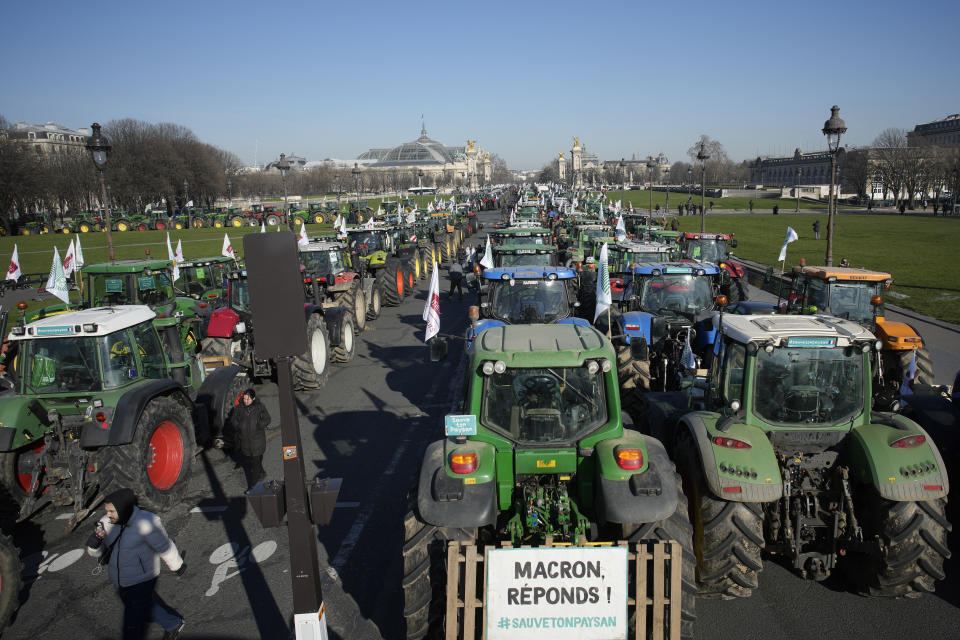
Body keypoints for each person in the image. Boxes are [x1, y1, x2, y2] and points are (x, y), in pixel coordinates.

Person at [86, 488, 186, 640]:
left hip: (141, 576)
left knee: (143, 605)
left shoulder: (146, 522)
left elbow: (163, 546)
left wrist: (177, 565)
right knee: (135, 603)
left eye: (111, 511)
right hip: (119, 577)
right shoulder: (105, 523)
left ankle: (174, 624)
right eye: (107, 511)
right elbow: (97, 553)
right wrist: (95, 543)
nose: (108, 515)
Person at [227, 388, 271, 491]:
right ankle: (262, 472)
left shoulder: (260, 408)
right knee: (250, 460)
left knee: (255, 464)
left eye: (248, 399)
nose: (245, 401)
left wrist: (259, 425)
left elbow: (267, 419)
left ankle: (252, 487)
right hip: (245, 441)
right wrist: (239, 426)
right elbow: (233, 420)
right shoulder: (239, 408)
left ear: (254, 398)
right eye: (245, 399)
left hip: (257, 441)